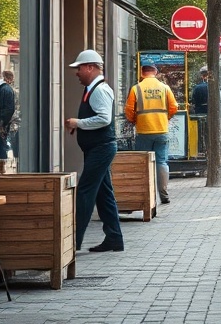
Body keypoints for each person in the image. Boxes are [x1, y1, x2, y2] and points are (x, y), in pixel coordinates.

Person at [65, 49, 124, 252]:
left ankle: (73, 242)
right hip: (98, 148)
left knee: (85, 192)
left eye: (79, 68)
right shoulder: (93, 89)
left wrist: (78, 123)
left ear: (90, 67)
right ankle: (114, 238)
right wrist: (80, 125)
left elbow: (103, 118)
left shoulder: (99, 90)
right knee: (103, 194)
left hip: (101, 148)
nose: (77, 72)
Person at [125, 58, 179, 204]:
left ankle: (146, 196)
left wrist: (134, 120)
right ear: (155, 72)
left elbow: (129, 110)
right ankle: (164, 194)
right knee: (161, 161)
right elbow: (174, 107)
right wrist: (164, 117)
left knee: (144, 163)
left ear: (142, 72)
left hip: (143, 130)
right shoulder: (164, 88)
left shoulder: (136, 88)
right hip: (161, 129)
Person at [2, 69, 20, 156]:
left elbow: (15, 109)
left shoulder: (12, 92)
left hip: (13, 125)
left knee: (15, 148)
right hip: (10, 124)